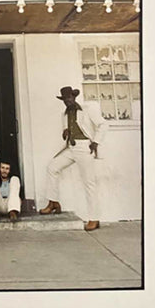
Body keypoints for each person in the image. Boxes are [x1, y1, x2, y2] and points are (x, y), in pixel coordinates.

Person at [39, 86, 108, 231]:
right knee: (52, 167)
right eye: (64, 99)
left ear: (74, 97)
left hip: (85, 148)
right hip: (71, 148)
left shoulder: (87, 109)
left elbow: (103, 124)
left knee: (89, 183)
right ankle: (53, 202)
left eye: (69, 98)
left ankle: (94, 218)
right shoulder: (64, 114)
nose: (67, 101)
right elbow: (68, 127)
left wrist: (95, 142)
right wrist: (65, 132)